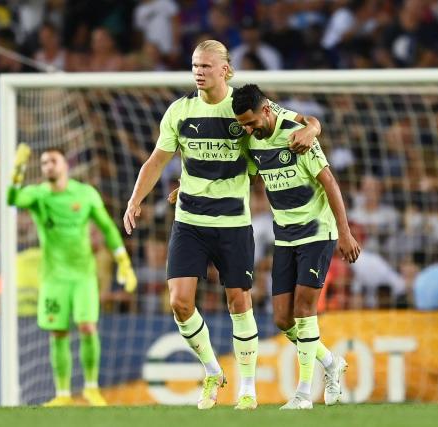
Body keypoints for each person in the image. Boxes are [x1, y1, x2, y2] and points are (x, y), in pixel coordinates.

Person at [123, 40, 320, 410]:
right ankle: (213, 370)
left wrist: (313, 129)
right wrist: (135, 200)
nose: (198, 71)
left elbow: (299, 120)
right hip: (190, 221)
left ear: (225, 70)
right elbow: (156, 160)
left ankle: (247, 387)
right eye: (195, 65)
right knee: (180, 303)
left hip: (233, 222)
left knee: (238, 301)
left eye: (206, 66)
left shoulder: (242, 107)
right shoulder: (180, 111)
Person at [232, 84, 361, 409]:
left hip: (318, 231)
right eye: (243, 124)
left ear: (266, 111)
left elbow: (329, 182)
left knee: (304, 309)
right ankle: (331, 363)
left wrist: (344, 234)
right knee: (281, 319)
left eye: (251, 122)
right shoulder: (251, 139)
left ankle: (304, 394)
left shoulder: (297, 135)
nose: (247, 130)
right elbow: (241, 174)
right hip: (285, 235)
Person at [7, 144, 137, 407]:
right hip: (53, 278)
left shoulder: (85, 194)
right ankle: (63, 393)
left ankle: (91, 387)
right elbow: (13, 200)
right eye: (43, 163)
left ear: (65, 165)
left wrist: (123, 261)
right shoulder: (38, 195)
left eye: (52, 161)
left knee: (88, 327)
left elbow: (107, 227)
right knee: (58, 332)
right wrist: (17, 169)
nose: (48, 166)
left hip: (83, 276)